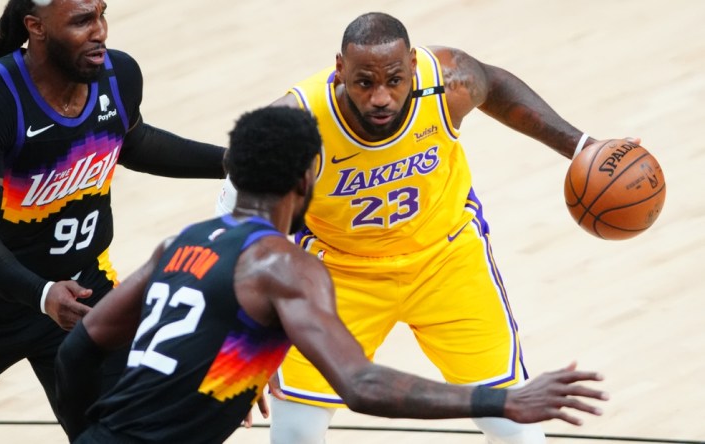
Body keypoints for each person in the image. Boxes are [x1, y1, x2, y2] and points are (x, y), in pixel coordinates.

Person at [56, 105, 607, 444]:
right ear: (306, 177)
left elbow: (76, 352)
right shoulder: (287, 267)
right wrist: (503, 401)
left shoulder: (178, 245)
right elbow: (362, 386)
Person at [215, 12, 618, 444]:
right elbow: (236, 214)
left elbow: (495, 85)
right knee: (295, 434)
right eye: (364, 83)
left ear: (411, 65)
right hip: (338, 275)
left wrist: (581, 147)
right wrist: (242, 337)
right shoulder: (298, 120)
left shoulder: (447, 80)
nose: (381, 97)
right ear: (339, 70)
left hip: (446, 260)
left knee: (516, 426)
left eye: (394, 79)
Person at [0, 0, 226, 442]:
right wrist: (42, 296)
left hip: (82, 292)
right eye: (82, 20)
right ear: (35, 27)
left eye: (102, 14)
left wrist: (234, 163)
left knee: (123, 431)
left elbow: (133, 141)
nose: (100, 31)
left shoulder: (119, 76)